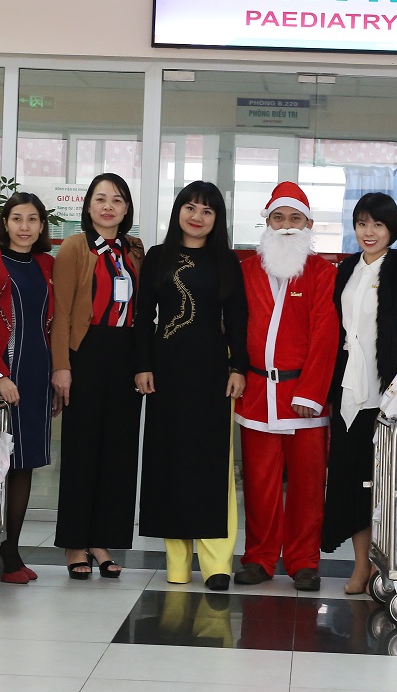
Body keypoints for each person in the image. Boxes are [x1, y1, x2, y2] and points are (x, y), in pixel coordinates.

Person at [133, 182, 248, 591]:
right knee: (170, 463)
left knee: (212, 466)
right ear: (178, 210)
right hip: (166, 373)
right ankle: (178, 563)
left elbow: (237, 318)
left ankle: (217, 563)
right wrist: (143, 364)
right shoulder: (159, 257)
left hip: (213, 375)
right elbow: (144, 314)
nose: (197, 216)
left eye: (207, 211)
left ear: (217, 219)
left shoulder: (226, 260)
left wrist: (239, 367)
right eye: (190, 207)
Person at [233, 181, 338, 592]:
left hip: (304, 397)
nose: (287, 226)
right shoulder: (245, 271)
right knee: (258, 483)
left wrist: (311, 393)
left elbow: (326, 334)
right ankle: (259, 557)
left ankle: (302, 560)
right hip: (258, 393)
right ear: (267, 222)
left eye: (296, 219)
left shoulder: (321, 273)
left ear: (309, 224)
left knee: (309, 486)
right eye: (279, 218)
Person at [321, 193, 397, 594]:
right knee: (350, 479)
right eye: (363, 223)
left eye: (378, 224)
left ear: (391, 229)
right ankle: (360, 566)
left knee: (381, 481)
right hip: (348, 384)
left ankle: (386, 566)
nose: (369, 232)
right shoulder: (345, 268)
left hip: (386, 387)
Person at [51, 173, 144, 578]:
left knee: (118, 453)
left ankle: (102, 541)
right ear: (88, 206)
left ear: (126, 209)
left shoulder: (135, 250)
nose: (109, 206)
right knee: (82, 450)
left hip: (124, 355)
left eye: (117, 199)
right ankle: (75, 543)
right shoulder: (75, 246)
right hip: (86, 353)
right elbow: (62, 312)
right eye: (101, 199)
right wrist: (62, 366)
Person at [0, 193, 55, 585]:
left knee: (25, 462)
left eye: (32, 219)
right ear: (4, 223)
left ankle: (11, 550)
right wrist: (0, 373)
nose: (24, 227)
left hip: (38, 374)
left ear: (41, 226)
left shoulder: (48, 264)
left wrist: (55, 378)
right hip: (3, 375)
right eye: (16, 218)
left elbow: (57, 322)